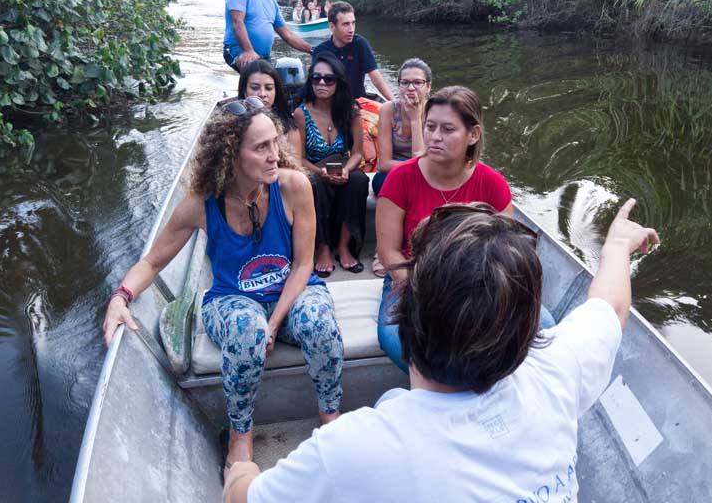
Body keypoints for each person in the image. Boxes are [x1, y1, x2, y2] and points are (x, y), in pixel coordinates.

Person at [223, 199, 660, 503]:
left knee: (393, 405)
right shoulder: (556, 371)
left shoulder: (355, 449)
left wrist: (240, 473)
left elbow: (246, 499)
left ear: (407, 313)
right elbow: (611, 305)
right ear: (526, 328)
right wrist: (618, 246)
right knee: (395, 401)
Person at [101, 97, 344, 478]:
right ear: (231, 155)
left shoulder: (295, 186)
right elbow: (152, 262)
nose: (274, 155)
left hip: (292, 292)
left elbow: (303, 265)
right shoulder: (201, 204)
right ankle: (240, 435)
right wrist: (120, 297)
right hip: (232, 300)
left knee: (318, 321)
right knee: (248, 330)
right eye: (261, 147)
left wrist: (277, 321)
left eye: (274, 143)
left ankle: (330, 415)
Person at [376, 85, 555, 372]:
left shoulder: (492, 184)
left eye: (448, 129)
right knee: (398, 341)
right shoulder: (401, 178)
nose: (434, 137)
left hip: (477, 284)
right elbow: (388, 251)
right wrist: (424, 290)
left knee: (544, 326)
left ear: (473, 135)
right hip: (413, 280)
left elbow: (506, 253)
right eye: (430, 126)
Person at [292, 51, 369, 277]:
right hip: (313, 169)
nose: (322, 83)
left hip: (342, 166)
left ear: (339, 82)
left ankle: (344, 246)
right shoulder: (301, 113)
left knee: (358, 180)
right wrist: (321, 172)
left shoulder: (351, 112)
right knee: (314, 183)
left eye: (329, 79)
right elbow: (299, 158)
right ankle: (323, 247)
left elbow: (357, 153)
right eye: (316, 78)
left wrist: (345, 170)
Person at [369, 58, 432, 277]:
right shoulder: (388, 109)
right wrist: (414, 169)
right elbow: (385, 163)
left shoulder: (434, 112)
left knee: (427, 185)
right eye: (405, 83)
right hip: (391, 175)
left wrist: (416, 120)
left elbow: (422, 159)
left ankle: (418, 247)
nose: (411, 88)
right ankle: (383, 250)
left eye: (417, 82)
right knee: (387, 183)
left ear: (428, 86)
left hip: (427, 171)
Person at [311, 1, 394, 101]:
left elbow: (376, 78)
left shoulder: (360, 44)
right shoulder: (320, 51)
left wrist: (395, 103)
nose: (351, 29)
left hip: (357, 105)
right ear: (332, 27)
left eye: (353, 23)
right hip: (330, 105)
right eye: (345, 24)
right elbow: (316, 86)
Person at [237, 60, 302, 155]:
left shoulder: (289, 129)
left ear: (276, 91)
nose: (262, 94)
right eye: (255, 88)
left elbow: (296, 168)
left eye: (268, 88)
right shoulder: (232, 126)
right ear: (244, 91)